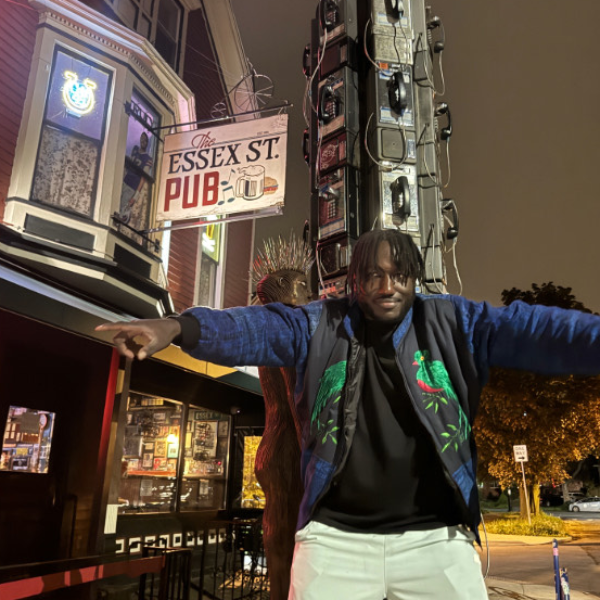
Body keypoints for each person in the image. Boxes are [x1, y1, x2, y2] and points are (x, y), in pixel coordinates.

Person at [96, 229, 600, 600]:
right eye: (374, 274)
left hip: (436, 542)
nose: (388, 285)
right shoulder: (320, 324)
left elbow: (536, 328)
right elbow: (255, 327)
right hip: (335, 542)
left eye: (400, 274)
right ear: (353, 280)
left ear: (415, 278)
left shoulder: (456, 322)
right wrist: (176, 328)